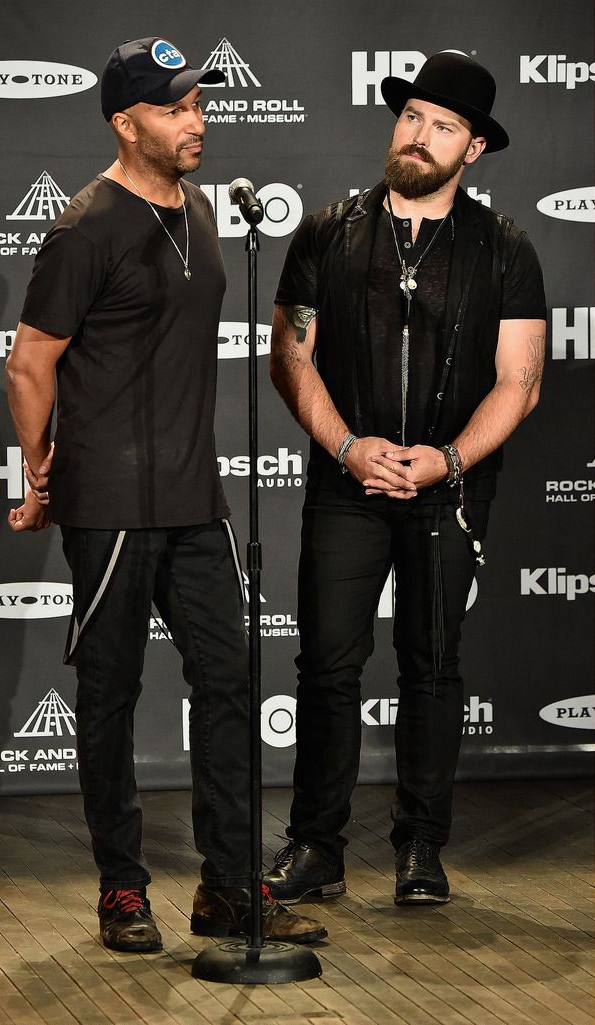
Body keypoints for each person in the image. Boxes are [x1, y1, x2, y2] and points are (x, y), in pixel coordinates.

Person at [6, 36, 326, 953]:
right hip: (107, 499)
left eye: (199, 104)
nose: (197, 120)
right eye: (176, 107)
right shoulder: (85, 225)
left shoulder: (201, 212)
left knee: (227, 685)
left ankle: (229, 888)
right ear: (125, 122)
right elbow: (31, 362)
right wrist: (40, 470)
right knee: (107, 695)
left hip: (196, 500)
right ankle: (121, 887)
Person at [263, 53, 546, 907]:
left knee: (431, 666)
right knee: (327, 668)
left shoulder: (505, 249)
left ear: (474, 150)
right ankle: (316, 847)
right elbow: (290, 355)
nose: (420, 136)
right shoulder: (324, 231)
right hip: (346, 483)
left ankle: (421, 849)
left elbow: (520, 379)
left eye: (444, 126)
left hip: (448, 491)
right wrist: (348, 446)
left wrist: (447, 460)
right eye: (413, 115)